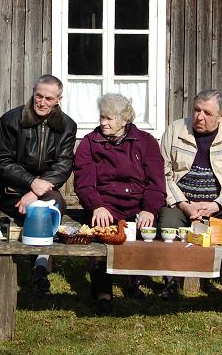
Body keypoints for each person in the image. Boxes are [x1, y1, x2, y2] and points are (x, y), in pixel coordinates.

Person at [158, 89, 222, 316]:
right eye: (196, 110)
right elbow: (163, 175)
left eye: (207, 113)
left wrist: (216, 205)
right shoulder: (175, 130)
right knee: (168, 221)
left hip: (220, 204)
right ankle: (171, 283)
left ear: (221, 116)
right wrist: (183, 203)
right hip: (182, 201)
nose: (199, 117)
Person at [74, 93, 164, 315]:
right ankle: (103, 293)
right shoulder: (90, 142)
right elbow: (84, 182)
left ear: (125, 120)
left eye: (109, 119)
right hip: (105, 204)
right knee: (101, 236)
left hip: (136, 204)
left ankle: (135, 281)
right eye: (102, 117)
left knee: (145, 231)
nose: (103, 123)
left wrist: (149, 209)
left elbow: (156, 182)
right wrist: (96, 205)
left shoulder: (146, 142)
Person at [0, 74, 77, 294]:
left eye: (49, 98)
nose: (42, 102)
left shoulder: (67, 126)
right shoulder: (11, 120)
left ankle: (40, 266)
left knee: (47, 206)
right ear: (33, 93)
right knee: (42, 208)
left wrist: (37, 191)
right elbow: (1, 164)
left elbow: (63, 165)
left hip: (46, 191)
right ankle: (38, 271)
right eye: (38, 96)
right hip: (13, 191)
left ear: (58, 99)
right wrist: (31, 182)